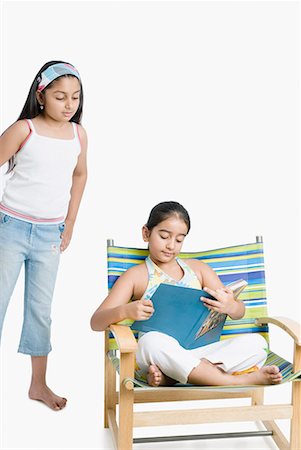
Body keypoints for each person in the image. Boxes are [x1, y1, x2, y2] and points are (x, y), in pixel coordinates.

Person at [91, 201, 282, 387]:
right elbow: (96, 322)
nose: (171, 245)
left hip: (198, 351)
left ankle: (172, 377)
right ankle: (236, 380)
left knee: (256, 343)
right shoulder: (135, 276)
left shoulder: (199, 269)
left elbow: (238, 312)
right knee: (150, 342)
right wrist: (126, 311)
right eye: (164, 236)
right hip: (160, 351)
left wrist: (230, 305)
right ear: (146, 233)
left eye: (179, 239)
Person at [0, 61, 88, 410]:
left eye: (75, 98)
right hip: (11, 229)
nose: (69, 105)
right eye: (60, 96)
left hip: (50, 234)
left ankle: (38, 385)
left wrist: (70, 222)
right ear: (41, 96)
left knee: (41, 311)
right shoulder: (24, 130)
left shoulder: (78, 135)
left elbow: (80, 176)